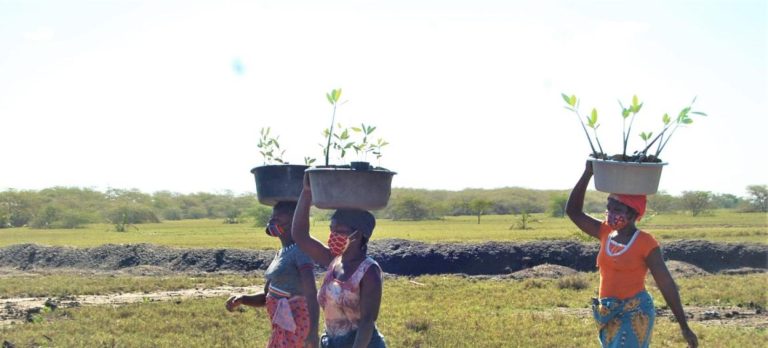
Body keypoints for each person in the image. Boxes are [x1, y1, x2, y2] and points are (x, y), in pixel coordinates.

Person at [566, 161, 698, 348]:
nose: (610, 213)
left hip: (635, 312)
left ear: (634, 214)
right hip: (607, 312)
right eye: (609, 207)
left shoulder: (646, 243)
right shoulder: (605, 232)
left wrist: (684, 326)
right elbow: (573, 211)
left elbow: (665, 282)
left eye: (617, 210)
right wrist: (587, 173)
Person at [291, 174, 386, 348]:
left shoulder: (369, 271)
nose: (333, 235)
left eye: (340, 230)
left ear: (359, 234)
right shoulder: (333, 260)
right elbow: (299, 235)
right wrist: (306, 193)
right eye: (331, 229)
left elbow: (366, 322)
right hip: (332, 342)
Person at [225, 201, 320, 348]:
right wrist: (243, 299)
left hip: (297, 327)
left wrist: (313, 332)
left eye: (278, 216)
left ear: (296, 219)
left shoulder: (301, 251)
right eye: (272, 216)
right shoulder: (282, 253)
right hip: (282, 328)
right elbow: (269, 295)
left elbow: (311, 294)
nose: (272, 220)